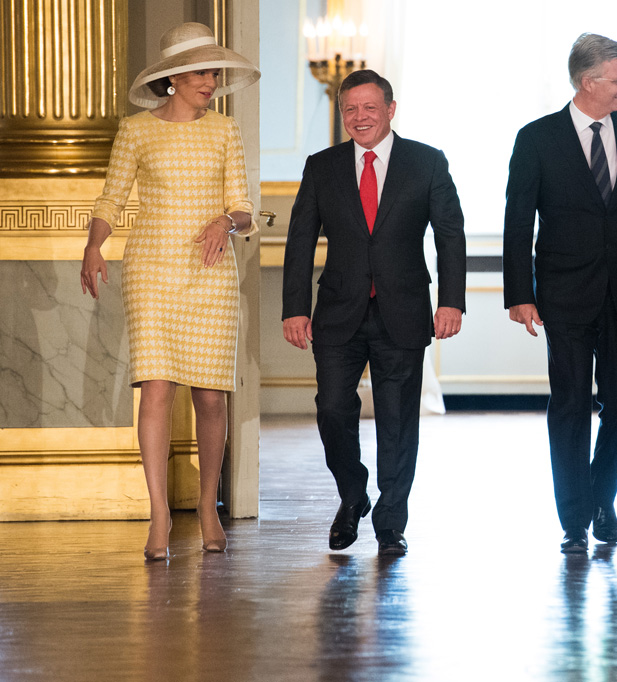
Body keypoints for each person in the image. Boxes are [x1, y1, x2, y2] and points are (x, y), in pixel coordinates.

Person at [80, 23, 260, 561]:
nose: (212, 81)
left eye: (215, 72)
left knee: (209, 394)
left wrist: (224, 222)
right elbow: (111, 198)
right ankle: (159, 513)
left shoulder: (224, 130)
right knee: (156, 390)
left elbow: (244, 206)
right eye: (204, 72)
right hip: (152, 270)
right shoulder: (136, 131)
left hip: (210, 271)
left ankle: (207, 506)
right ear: (175, 76)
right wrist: (94, 246)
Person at [282, 70, 466, 557]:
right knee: (333, 408)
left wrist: (451, 300)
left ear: (390, 109)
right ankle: (353, 493)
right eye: (350, 110)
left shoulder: (426, 162)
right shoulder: (322, 166)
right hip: (338, 312)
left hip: (403, 310)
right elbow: (301, 240)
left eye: (369, 108)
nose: (359, 118)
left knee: (398, 420)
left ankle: (390, 521)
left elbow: (450, 234)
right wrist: (294, 309)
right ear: (342, 115)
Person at [503, 33, 617, 554]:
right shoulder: (536, 139)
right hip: (564, 295)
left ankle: (603, 495)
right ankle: (575, 518)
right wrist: (519, 294)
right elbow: (517, 221)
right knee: (571, 405)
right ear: (588, 82)